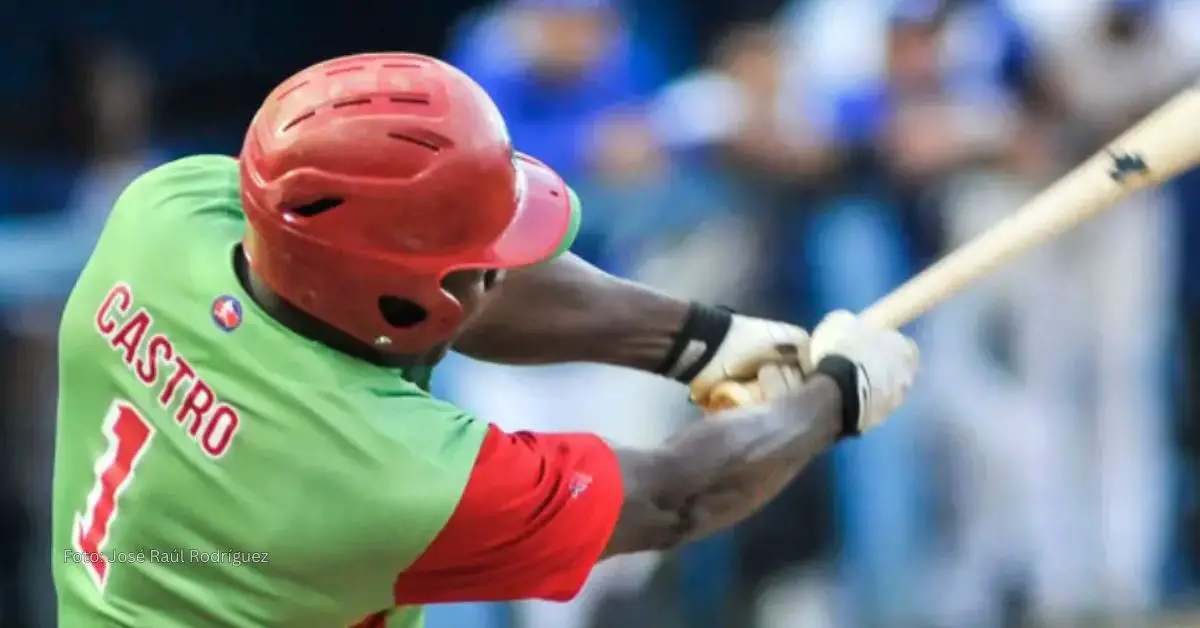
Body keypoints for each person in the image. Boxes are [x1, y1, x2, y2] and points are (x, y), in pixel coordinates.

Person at [50, 52, 919, 628]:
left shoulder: (165, 219)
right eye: (476, 263)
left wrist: (704, 341)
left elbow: (452, 292)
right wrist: (833, 397)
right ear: (398, 298)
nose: (496, 273)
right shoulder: (384, 475)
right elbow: (675, 495)